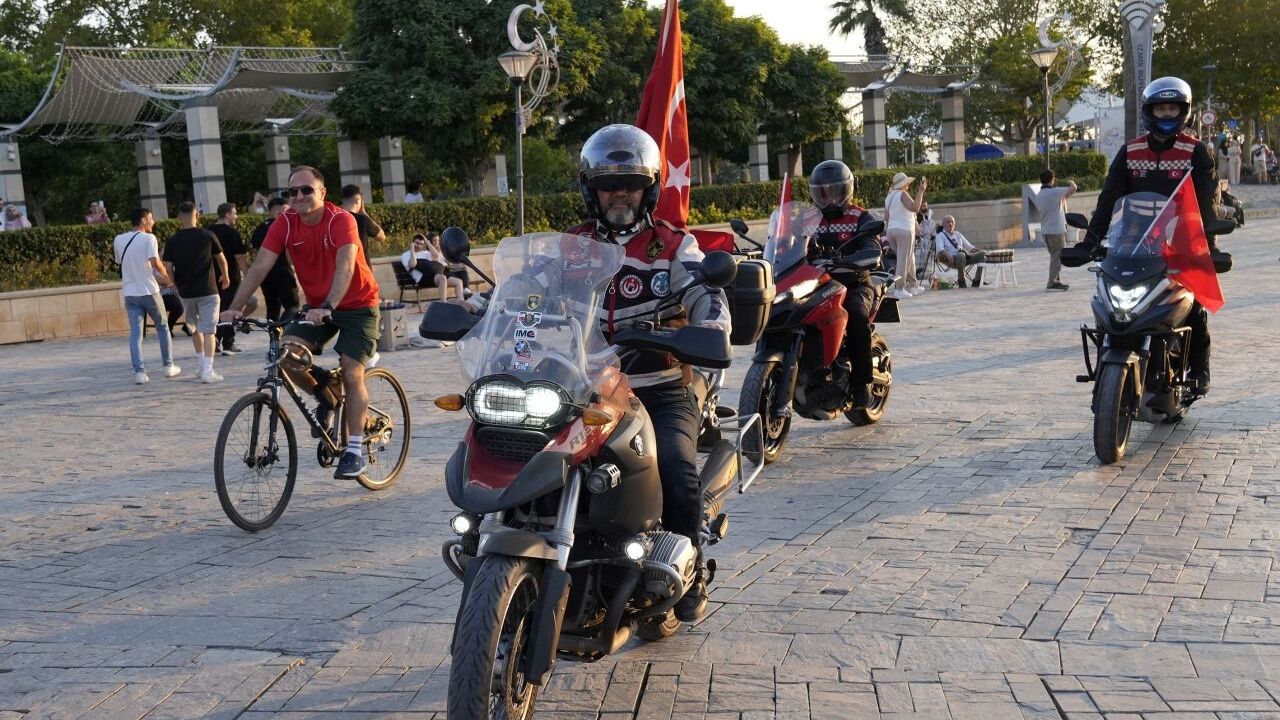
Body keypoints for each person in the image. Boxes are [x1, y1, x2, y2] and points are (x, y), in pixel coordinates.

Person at [466, 124, 730, 622]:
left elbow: (705, 292)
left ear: (649, 189)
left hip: (658, 386)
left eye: (631, 184)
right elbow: (525, 284)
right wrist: (479, 309)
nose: (620, 195)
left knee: (675, 466)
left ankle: (691, 571)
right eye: (609, 185)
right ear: (592, 190)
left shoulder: (673, 245)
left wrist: (710, 327)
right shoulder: (574, 246)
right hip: (585, 386)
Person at [220, 165, 382, 480]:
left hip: (358, 305)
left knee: (352, 372)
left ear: (322, 192)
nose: (298, 196)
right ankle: (326, 396)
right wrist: (233, 308)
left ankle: (354, 450)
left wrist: (329, 306)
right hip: (317, 308)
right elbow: (260, 267)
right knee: (284, 354)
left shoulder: (341, 220)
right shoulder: (285, 223)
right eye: (292, 191)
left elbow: (346, 266)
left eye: (306, 190)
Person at [1081, 76, 1219, 395]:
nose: (1167, 114)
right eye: (1160, 109)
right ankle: (1106, 369)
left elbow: (1207, 203)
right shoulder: (1130, 151)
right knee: (1106, 303)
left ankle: (1199, 369)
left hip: (1180, 242)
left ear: (1184, 111)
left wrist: (1208, 248)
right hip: (1131, 243)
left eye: (1173, 108)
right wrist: (1090, 241)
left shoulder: (1196, 151)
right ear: (1149, 112)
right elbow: (1108, 199)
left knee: (1192, 305)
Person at [804, 159, 880, 408]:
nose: (828, 199)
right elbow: (786, 241)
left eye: (834, 191)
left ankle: (862, 383)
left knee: (856, 315)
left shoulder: (861, 217)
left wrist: (859, 257)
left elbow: (872, 246)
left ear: (847, 190)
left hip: (855, 283)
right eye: (822, 193)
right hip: (817, 285)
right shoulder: (807, 218)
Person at [162, 202, 229, 383]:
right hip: (208, 290)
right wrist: (225, 276)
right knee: (209, 331)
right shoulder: (208, 235)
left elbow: (168, 267)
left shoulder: (173, 240)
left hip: (186, 292)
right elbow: (221, 259)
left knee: (194, 329)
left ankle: (201, 366)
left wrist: (174, 285)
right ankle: (208, 370)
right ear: (197, 215)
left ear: (178, 217)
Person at [115, 208, 181, 383]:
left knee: (136, 333)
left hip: (130, 293)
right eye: (151, 219)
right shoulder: (149, 238)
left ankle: (139, 372)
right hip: (149, 291)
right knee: (163, 327)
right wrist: (168, 278)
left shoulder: (119, 239)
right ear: (143, 221)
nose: (153, 222)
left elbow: (121, 262)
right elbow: (155, 262)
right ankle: (168, 366)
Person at [209, 203, 251, 356]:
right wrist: (247, 274)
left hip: (211, 276)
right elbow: (239, 256)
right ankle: (228, 342)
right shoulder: (232, 233)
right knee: (229, 308)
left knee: (214, 309)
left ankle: (214, 340)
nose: (236, 216)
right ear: (227, 215)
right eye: (234, 213)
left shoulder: (207, 231)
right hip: (230, 275)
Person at [249, 197, 300, 321]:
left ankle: (273, 332)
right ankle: (284, 329)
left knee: (272, 308)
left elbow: (255, 252)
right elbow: (288, 250)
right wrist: (292, 266)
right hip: (283, 271)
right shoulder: (283, 226)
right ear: (281, 210)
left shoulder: (259, 229)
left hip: (265, 274)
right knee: (292, 307)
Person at [884, 171, 927, 298]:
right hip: (904, 230)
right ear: (903, 184)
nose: (908, 184)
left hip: (891, 231)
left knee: (909, 258)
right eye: (906, 182)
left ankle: (913, 285)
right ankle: (899, 288)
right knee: (904, 260)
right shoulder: (902, 194)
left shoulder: (889, 197)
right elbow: (915, 208)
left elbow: (886, 217)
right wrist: (921, 191)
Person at [1036, 169, 1078, 291]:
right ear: (1051, 180)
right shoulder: (1054, 192)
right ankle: (1052, 283)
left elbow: (1062, 199)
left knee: (1054, 257)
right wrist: (1071, 181)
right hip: (1056, 231)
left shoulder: (1039, 195)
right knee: (1057, 257)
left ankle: (1056, 281)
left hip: (1046, 231)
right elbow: (1074, 188)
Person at [401, 232, 465, 300]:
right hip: (422, 278)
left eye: (421, 244)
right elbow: (412, 265)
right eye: (417, 243)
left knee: (458, 281)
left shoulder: (425, 253)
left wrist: (427, 242)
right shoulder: (406, 255)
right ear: (412, 243)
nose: (419, 245)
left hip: (434, 275)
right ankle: (444, 302)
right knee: (442, 278)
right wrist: (412, 251)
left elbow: (436, 256)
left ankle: (461, 302)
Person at [934, 215, 986, 288]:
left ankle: (977, 280)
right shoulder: (940, 235)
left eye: (952, 222)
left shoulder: (958, 234)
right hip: (952, 259)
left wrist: (982, 251)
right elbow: (940, 248)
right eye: (948, 222)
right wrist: (948, 256)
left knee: (983, 254)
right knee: (961, 255)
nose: (950, 224)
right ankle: (961, 280)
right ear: (943, 224)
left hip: (965, 257)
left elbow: (969, 247)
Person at [340, 185, 385, 262]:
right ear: (358, 200)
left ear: (343, 200)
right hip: (362, 267)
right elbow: (382, 236)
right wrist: (364, 213)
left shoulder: (336, 219)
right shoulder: (362, 220)